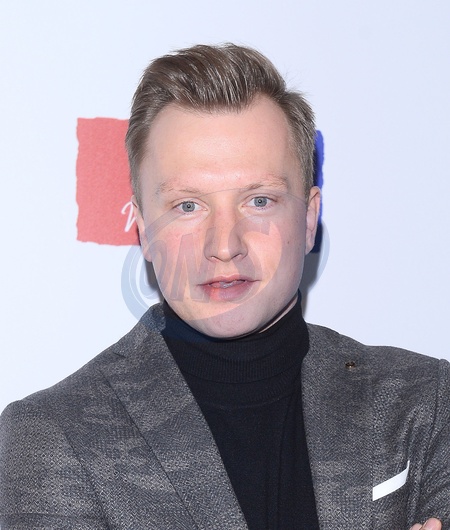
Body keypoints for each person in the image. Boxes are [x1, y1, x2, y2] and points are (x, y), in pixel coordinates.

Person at [0, 44, 448, 529]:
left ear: (309, 218)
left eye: (259, 200)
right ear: (144, 230)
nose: (224, 245)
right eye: (187, 206)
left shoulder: (426, 402)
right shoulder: (51, 438)